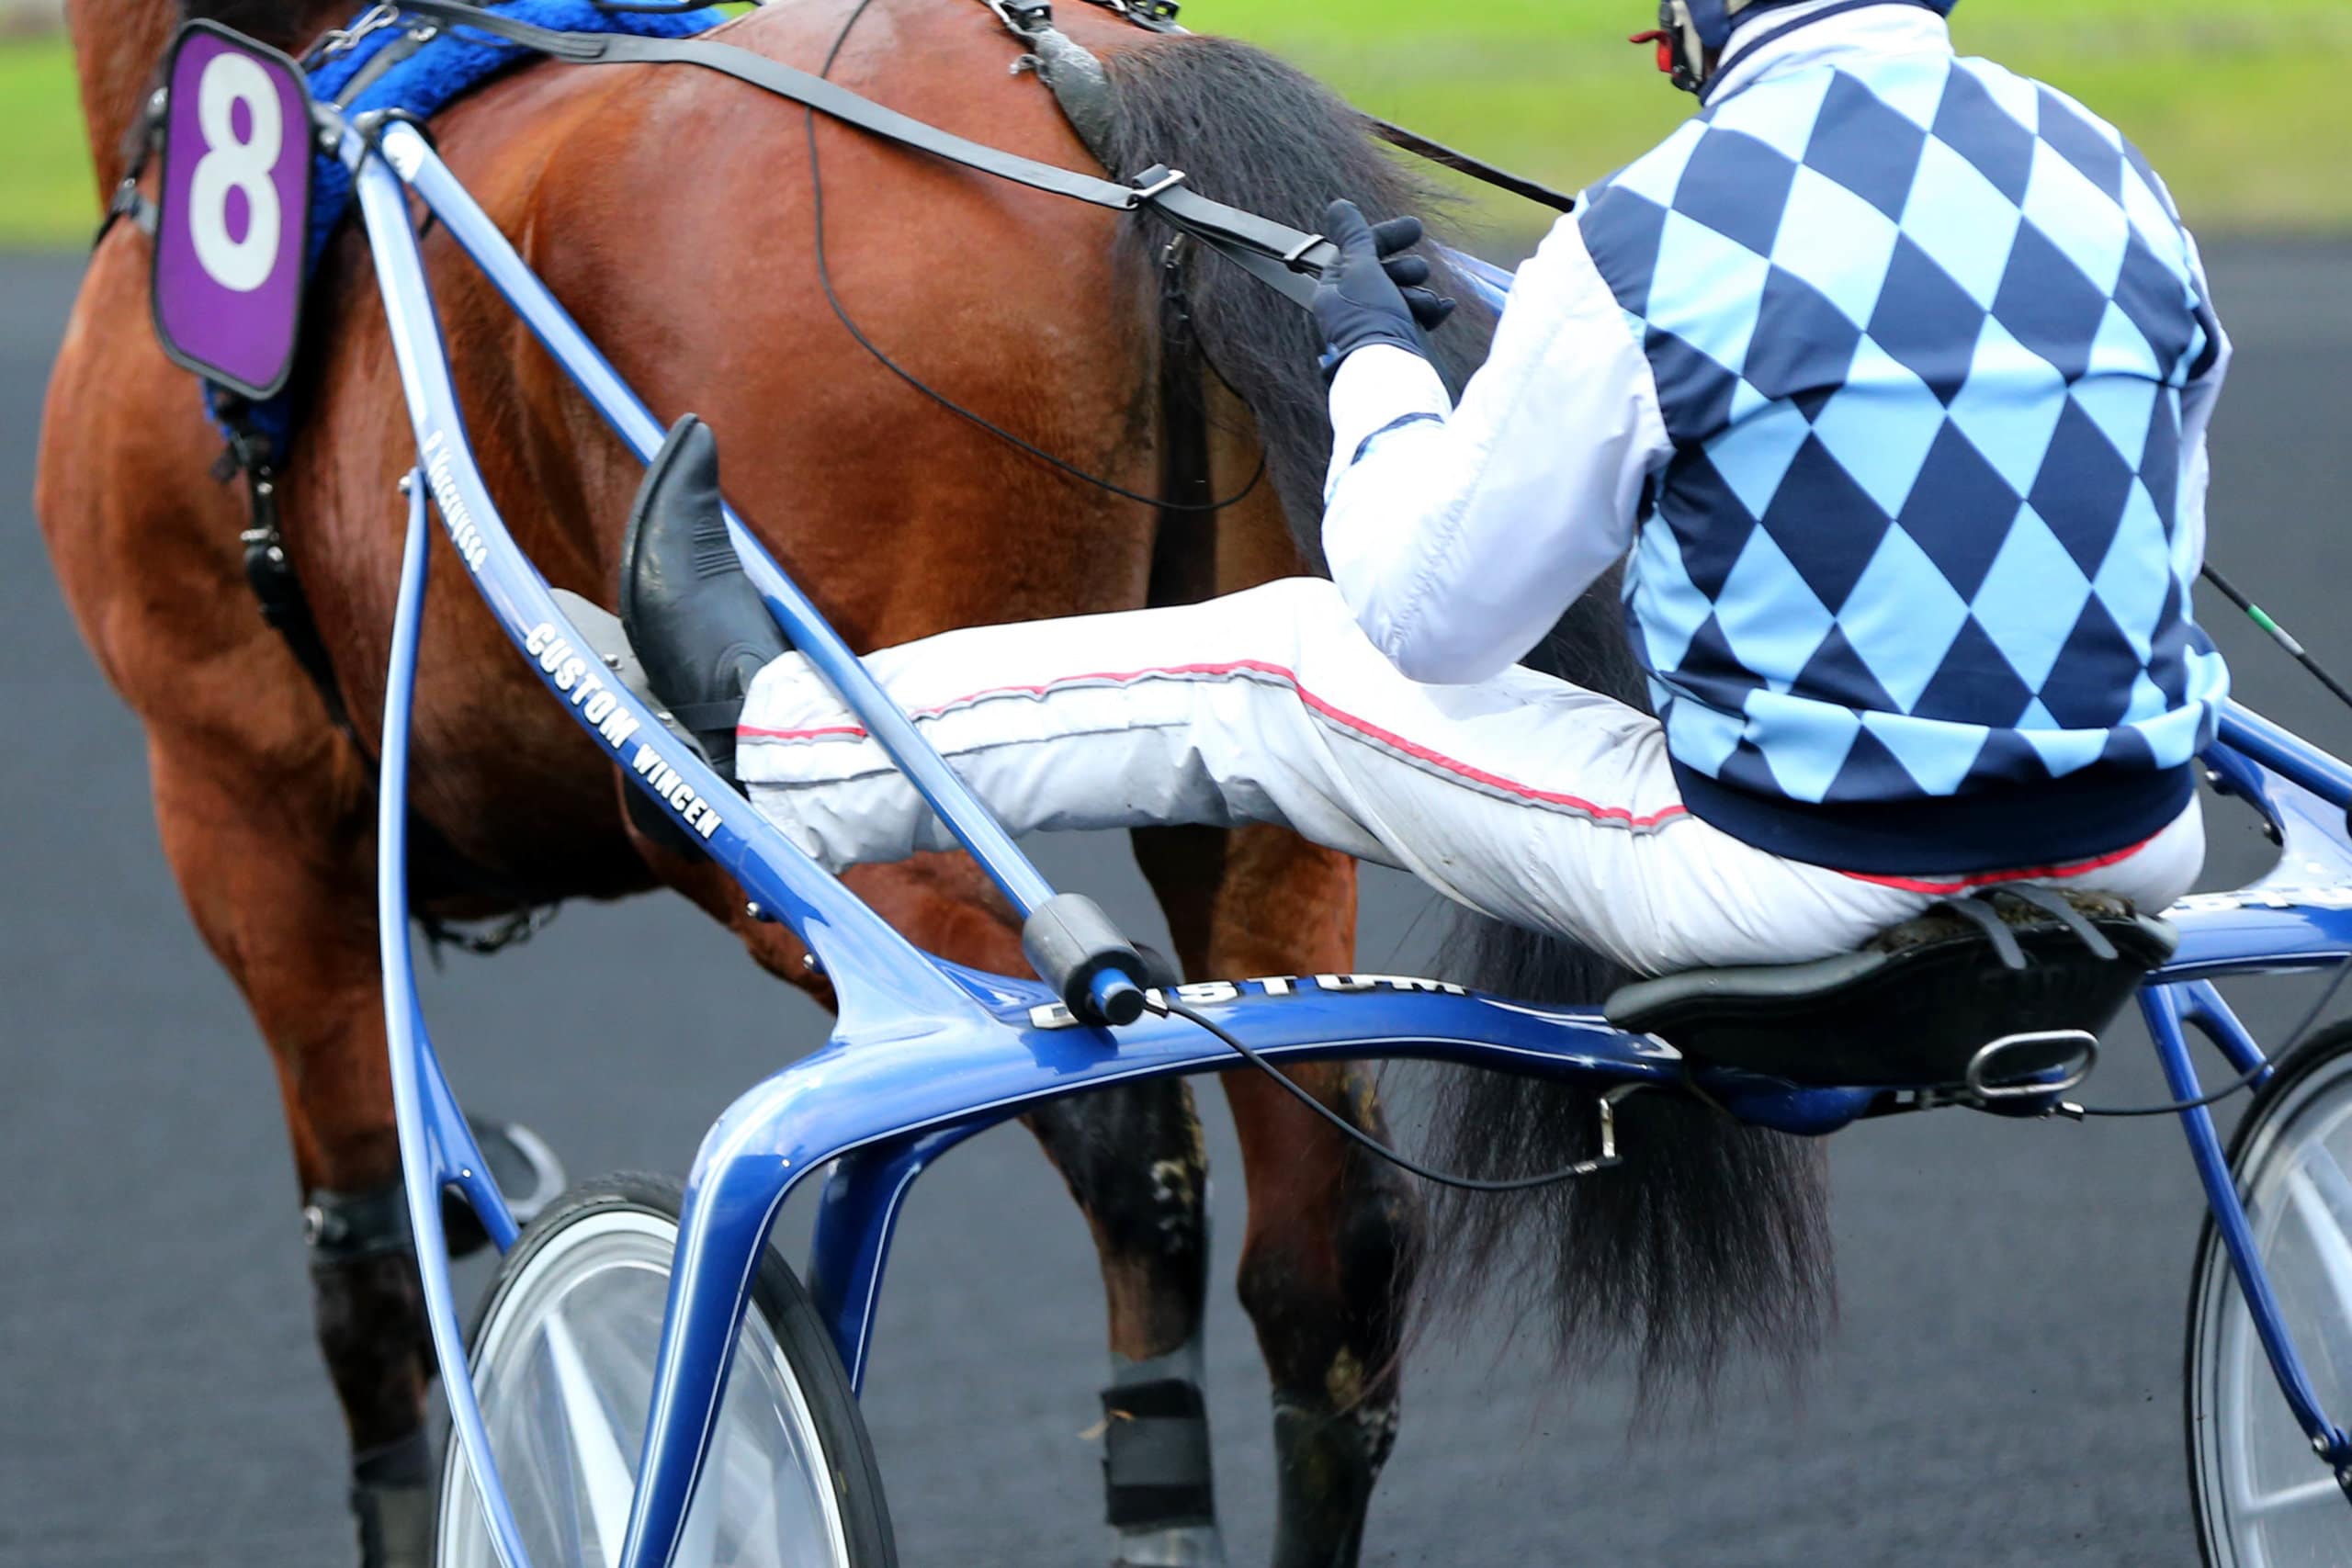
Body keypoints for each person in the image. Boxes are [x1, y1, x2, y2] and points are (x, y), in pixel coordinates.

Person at [621, 0, 2230, 978]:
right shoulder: (2116, 173)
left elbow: (1430, 620)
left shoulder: (1653, 227)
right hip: (2143, 842)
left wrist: (1375, 360)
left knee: (1279, 667)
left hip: (1789, 875)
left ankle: (782, 742)